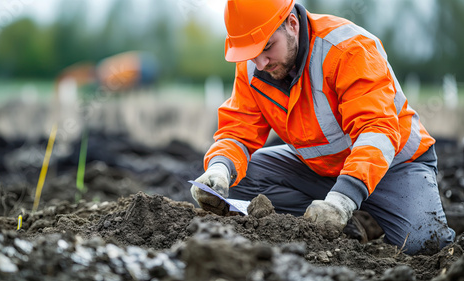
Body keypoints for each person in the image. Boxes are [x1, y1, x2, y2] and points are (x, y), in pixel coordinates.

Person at [190, 0, 455, 255]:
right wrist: (219, 169)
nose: (260, 63)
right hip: (318, 167)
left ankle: (349, 206)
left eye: (268, 47)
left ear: (292, 24)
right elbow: (238, 129)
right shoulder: (254, 65)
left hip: (395, 165)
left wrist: (343, 198)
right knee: (237, 183)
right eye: (252, 54)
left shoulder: (349, 48)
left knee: (424, 245)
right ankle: (342, 224)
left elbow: (377, 131)